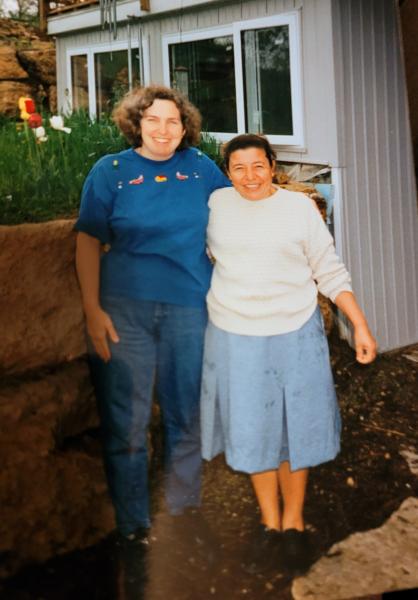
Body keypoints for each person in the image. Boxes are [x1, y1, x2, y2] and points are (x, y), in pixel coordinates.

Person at [200, 134, 377, 574]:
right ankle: (269, 523)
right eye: (238, 168)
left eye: (258, 166)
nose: (249, 177)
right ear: (227, 172)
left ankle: (294, 523)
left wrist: (360, 325)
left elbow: (328, 269)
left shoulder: (298, 208)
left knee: (295, 427)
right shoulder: (215, 205)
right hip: (235, 334)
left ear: (273, 165)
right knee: (254, 429)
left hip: (295, 332)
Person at [74, 85, 230, 555]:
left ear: (186, 128)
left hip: (189, 308)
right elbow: (86, 241)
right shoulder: (111, 172)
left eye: (173, 122)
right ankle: (134, 526)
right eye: (153, 120)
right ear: (136, 124)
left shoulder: (202, 169)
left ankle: (183, 511)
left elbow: (238, 219)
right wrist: (92, 310)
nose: (163, 130)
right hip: (125, 315)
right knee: (128, 423)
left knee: (186, 415)